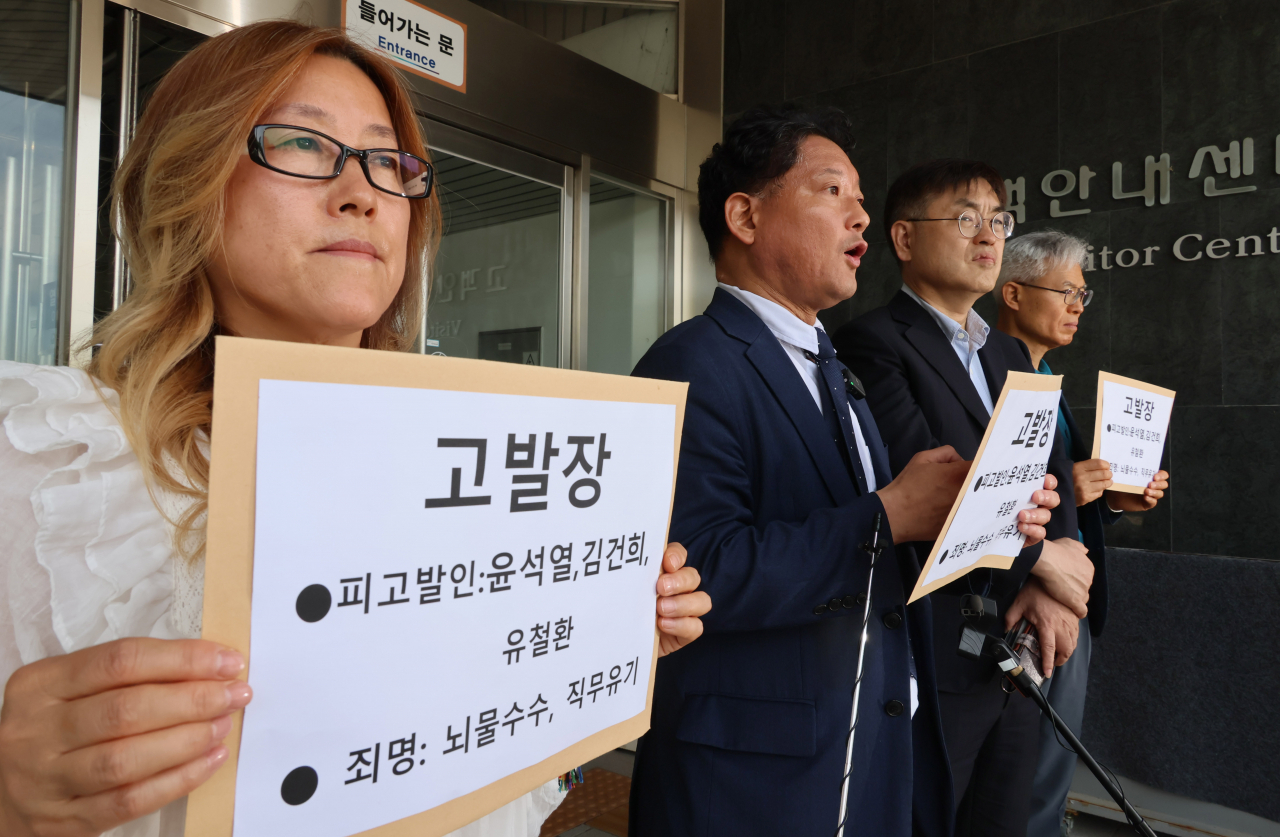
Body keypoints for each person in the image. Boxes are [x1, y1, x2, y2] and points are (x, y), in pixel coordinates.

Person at [0, 22, 710, 837]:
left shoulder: (479, 469)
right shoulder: (48, 459)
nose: (362, 192)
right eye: (302, 143)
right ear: (189, 177)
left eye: (388, 160)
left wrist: (590, 639)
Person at [628, 107, 1061, 837]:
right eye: (832, 191)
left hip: (864, 749)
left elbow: (877, 540)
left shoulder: (833, 366)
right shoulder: (689, 362)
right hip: (752, 782)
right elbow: (701, 573)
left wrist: (979, 513)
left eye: (860, 194)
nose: (861, 212)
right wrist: (892, 513)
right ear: (744, 216)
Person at [834, 159, 1094, 837]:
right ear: (905, 238)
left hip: (1011, 643)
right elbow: (933, 483)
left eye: (998, 220)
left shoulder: (1006, 352)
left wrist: (1057, 580)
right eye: (964, 217)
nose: (989, 234)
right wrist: (1043, 560)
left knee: (1003, 818)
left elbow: (1053, 469)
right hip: (935, 642)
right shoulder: (873, 342)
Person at [992, 229, 1170, 837]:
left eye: (1082, 295)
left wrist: (1111, 504)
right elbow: (988, 495)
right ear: (1011, 293)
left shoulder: (1049, 382)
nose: (1076, 306)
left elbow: (1068, 504)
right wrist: (1070, 485)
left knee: (1049, 768)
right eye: (1065, 291)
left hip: (1069, 599)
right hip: (1020, 607)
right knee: (1026, 778)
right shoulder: (990, 375)